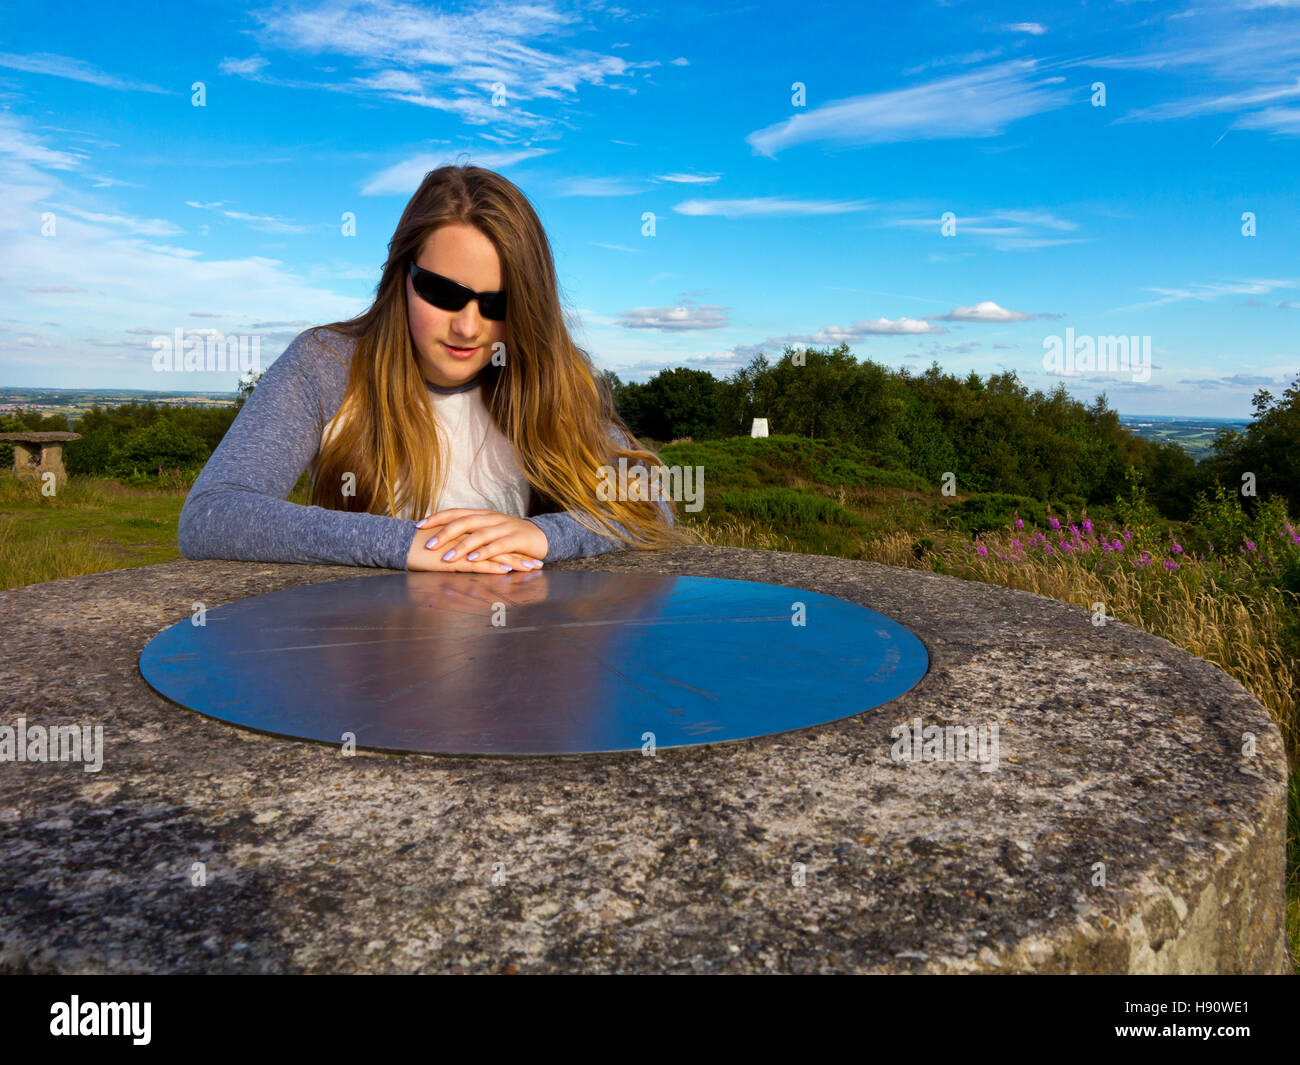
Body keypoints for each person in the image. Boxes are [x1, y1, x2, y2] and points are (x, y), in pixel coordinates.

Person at [178, 164, 693, 572]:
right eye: (444, 293)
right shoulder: (326, 363)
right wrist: (406, 544)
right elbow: (212, 514)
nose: (469, 328)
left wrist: (547, 536)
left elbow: (651, 503)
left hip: (521, 660)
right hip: (367, 657)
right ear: (400, 275)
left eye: (499, 305)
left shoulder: (550, 374)